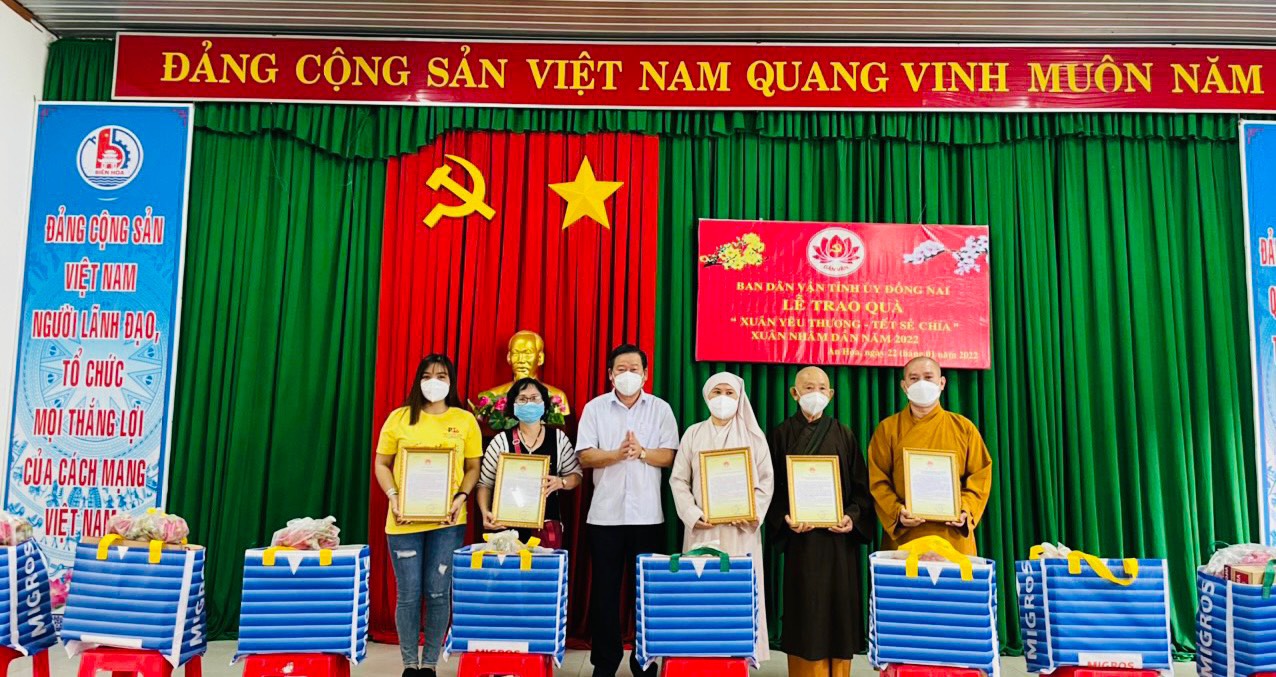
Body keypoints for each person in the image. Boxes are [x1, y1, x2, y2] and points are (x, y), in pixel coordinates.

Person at [373, 354, 482, 677]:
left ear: (451, 381)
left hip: (448, 522)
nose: (434, 382)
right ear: (418, 380)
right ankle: (410, 664)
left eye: (441, 376)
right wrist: (394, 496)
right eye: (427, 375)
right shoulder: (399, 418)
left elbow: (473, 468)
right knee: (408, 593)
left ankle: (430, 664)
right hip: (403, 521)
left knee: (437, 592)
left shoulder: (465, 420)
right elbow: (381, 464)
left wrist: (461, 497)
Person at [577, 344, 679, 677]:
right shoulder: (595, 408)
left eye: (634, 368)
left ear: (645, 374)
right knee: (605, 594)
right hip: (604, 516)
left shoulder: (660, 409)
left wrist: (643, 452)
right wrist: (617, 454)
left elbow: (670, 456)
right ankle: (605, 664)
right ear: (610, 374)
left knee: (647, 594)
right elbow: (585, 456)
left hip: (647, 516)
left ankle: (644, 662)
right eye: (621, 369)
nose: (628, 374)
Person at [765, 366, 873, 677]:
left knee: (839, 614)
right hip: (802, 542)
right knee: (805, 614)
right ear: (794, 393)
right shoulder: (780, 435)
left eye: (822, 388)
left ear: (831, 394)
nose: (815, 393)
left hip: (838, 543)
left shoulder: (844, 434)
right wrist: (785, 518)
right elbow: (769, 490)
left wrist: (851, 518)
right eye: (808, 387)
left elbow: (862, 490)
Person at [669, 371, 774, 663]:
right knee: (702, 595)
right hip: (702, 530)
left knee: (737, 597)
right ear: (706, 396)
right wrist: (692, 514)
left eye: (730, 393)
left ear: (740, 398)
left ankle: (739, 659)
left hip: (741, 533)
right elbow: (678, 480)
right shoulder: (693, 433)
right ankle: (700, 656)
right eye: (717, 392)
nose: (723, 399)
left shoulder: (754, 437)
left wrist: (752, 514)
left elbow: (766, 482)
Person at [867, 355, 993, 556]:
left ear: (942, 383)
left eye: (928, 377)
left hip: (952, 537)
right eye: (914, 378)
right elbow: (878, 481)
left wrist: (965, 509)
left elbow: (980, 475)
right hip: (906, 537)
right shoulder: (887, 429)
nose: (921, 384)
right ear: (904, 386)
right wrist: (897, 512)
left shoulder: (964, 428)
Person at [476, 377, 582, 548]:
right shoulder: (501, 441)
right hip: (506, 529)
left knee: (544, 566)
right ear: (513, 405)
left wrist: (561, 482)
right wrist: (485, 512)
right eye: (522, 399)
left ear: (544, 403)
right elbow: (485, 484)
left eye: (534, 398)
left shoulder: (558, 439)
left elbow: (576, 475)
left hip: (546, 527)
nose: (529, 403)